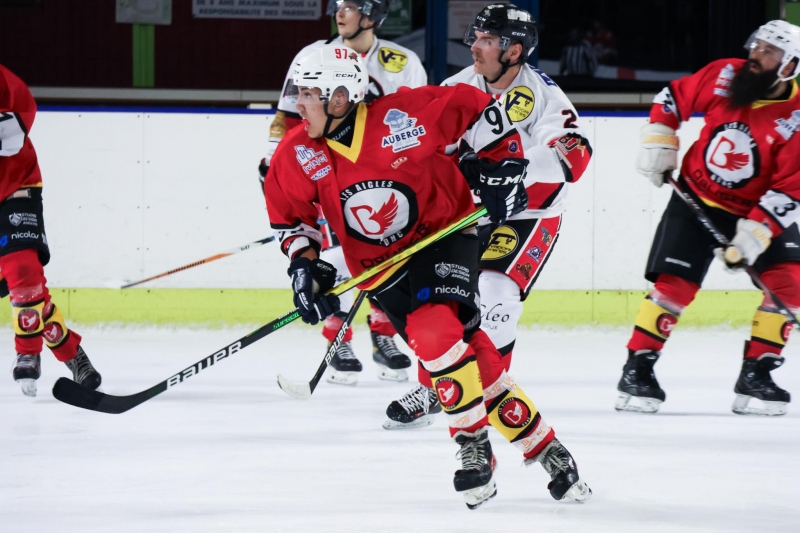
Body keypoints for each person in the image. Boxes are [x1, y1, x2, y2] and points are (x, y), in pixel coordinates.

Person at [263, 43, 591, 509]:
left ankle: (472, 446)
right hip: (380, 271)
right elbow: (290, 221)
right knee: (466, 356)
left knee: (434, 331)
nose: (298, 102)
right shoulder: (299, 152)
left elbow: (480, 113)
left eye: (308, 93)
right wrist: (305, 265)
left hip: (442, 236)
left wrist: (499, 167)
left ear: (340, 96)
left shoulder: (403, 116)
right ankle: (546, 447)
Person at [383, 4, 591, 442]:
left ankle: (489, 396)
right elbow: (429, 149)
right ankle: (437, 388)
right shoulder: (456, 87)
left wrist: (516, 169)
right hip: (471, 215)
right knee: (445, 298)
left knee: (495, 294)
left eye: (487, 40)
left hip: (529, 216)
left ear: (514, 51)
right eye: (475, 37)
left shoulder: (545, 96)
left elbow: (575, 153)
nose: (474, 46)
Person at [617, 20, 800, 417]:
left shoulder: (798, 117)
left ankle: (757, 374)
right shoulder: (725, 74)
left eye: (770, 51)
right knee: (674, 287)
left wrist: (752, 237)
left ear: (790, 67)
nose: (757, 55)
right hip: (696, 198)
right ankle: (637, 370)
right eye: (758, 45)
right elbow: (671, 98)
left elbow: (791, 188)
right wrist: (660, 142)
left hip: (757, 210)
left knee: (789, 283)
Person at [259, 0, 426, 385]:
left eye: (351, 6)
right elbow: (288, 115)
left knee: (393, 258)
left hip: (388, 179)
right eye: (339, 4)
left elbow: (418, 121)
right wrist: (273, 162)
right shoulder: (312, 56)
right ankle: (338, 339)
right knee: (335, 256)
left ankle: (385, 337)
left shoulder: (403, 62)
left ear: (373, 15)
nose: (340, 12)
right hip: (327, 174)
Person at [0, 64, 102, 397]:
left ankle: (27, 350)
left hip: (16, 185)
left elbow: (20, 117)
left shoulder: (5, 82)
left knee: (24, 273)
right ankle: (73, 354)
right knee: (25, 292)